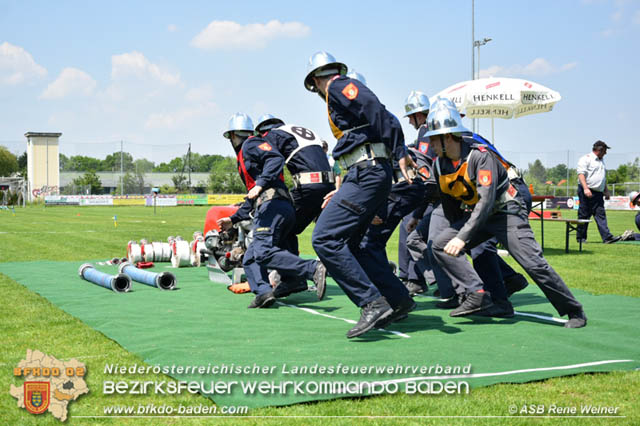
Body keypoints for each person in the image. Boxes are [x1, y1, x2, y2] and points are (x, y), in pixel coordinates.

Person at [425, 98, 587, 328]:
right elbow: (451, 207)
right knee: (441, 244)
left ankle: (574, 311)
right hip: (479, 215)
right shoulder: (439, 166)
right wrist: (457, 233)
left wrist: (462, 238)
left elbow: (487, 201)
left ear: (448, 137)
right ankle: (481, 295)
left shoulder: (480, 156)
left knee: (533, 264)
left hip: (506, 212)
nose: (429, 144)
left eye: (433, 138)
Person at [304, 51, 416, 338]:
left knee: (325, 238)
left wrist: (400, 152)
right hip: (366, 173)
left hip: (366, 173)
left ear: (316, 80)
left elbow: (379, 112)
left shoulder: (339, 86)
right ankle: (399, 300)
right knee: (355, 245)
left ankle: (371, 303)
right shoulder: (339, 92)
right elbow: (383, 117)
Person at [216, 113, 327, 308]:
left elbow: (275, 159)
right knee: (251, 257)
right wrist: (233, 220)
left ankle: (312, 268)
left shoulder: (251, 145)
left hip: (272, 206)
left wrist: (260, 184)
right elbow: (252, 198)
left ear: (232, 136)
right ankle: (266, 291)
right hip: (281, 205)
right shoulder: (248, 153)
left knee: (263, 251)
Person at [253, 114, 335, 298]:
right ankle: (295, 278)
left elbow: (271, 159)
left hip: (308, 186)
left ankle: (297, 277)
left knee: (281, 226)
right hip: (327, 185)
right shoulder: (302, 131)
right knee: (292, 229)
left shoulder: (274, 135)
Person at [576, 141, 621, 244]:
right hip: (586, 191)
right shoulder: (585, 159)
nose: (606, 153)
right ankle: (581, 238)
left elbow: (602, 177)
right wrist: (586, 188)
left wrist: (606, 191)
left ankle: (607, 238)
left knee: (601, 214)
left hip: (598, 193)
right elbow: (581, 174)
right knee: (584, 214)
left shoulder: (601, 161)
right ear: (599, 150)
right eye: (605, 150)